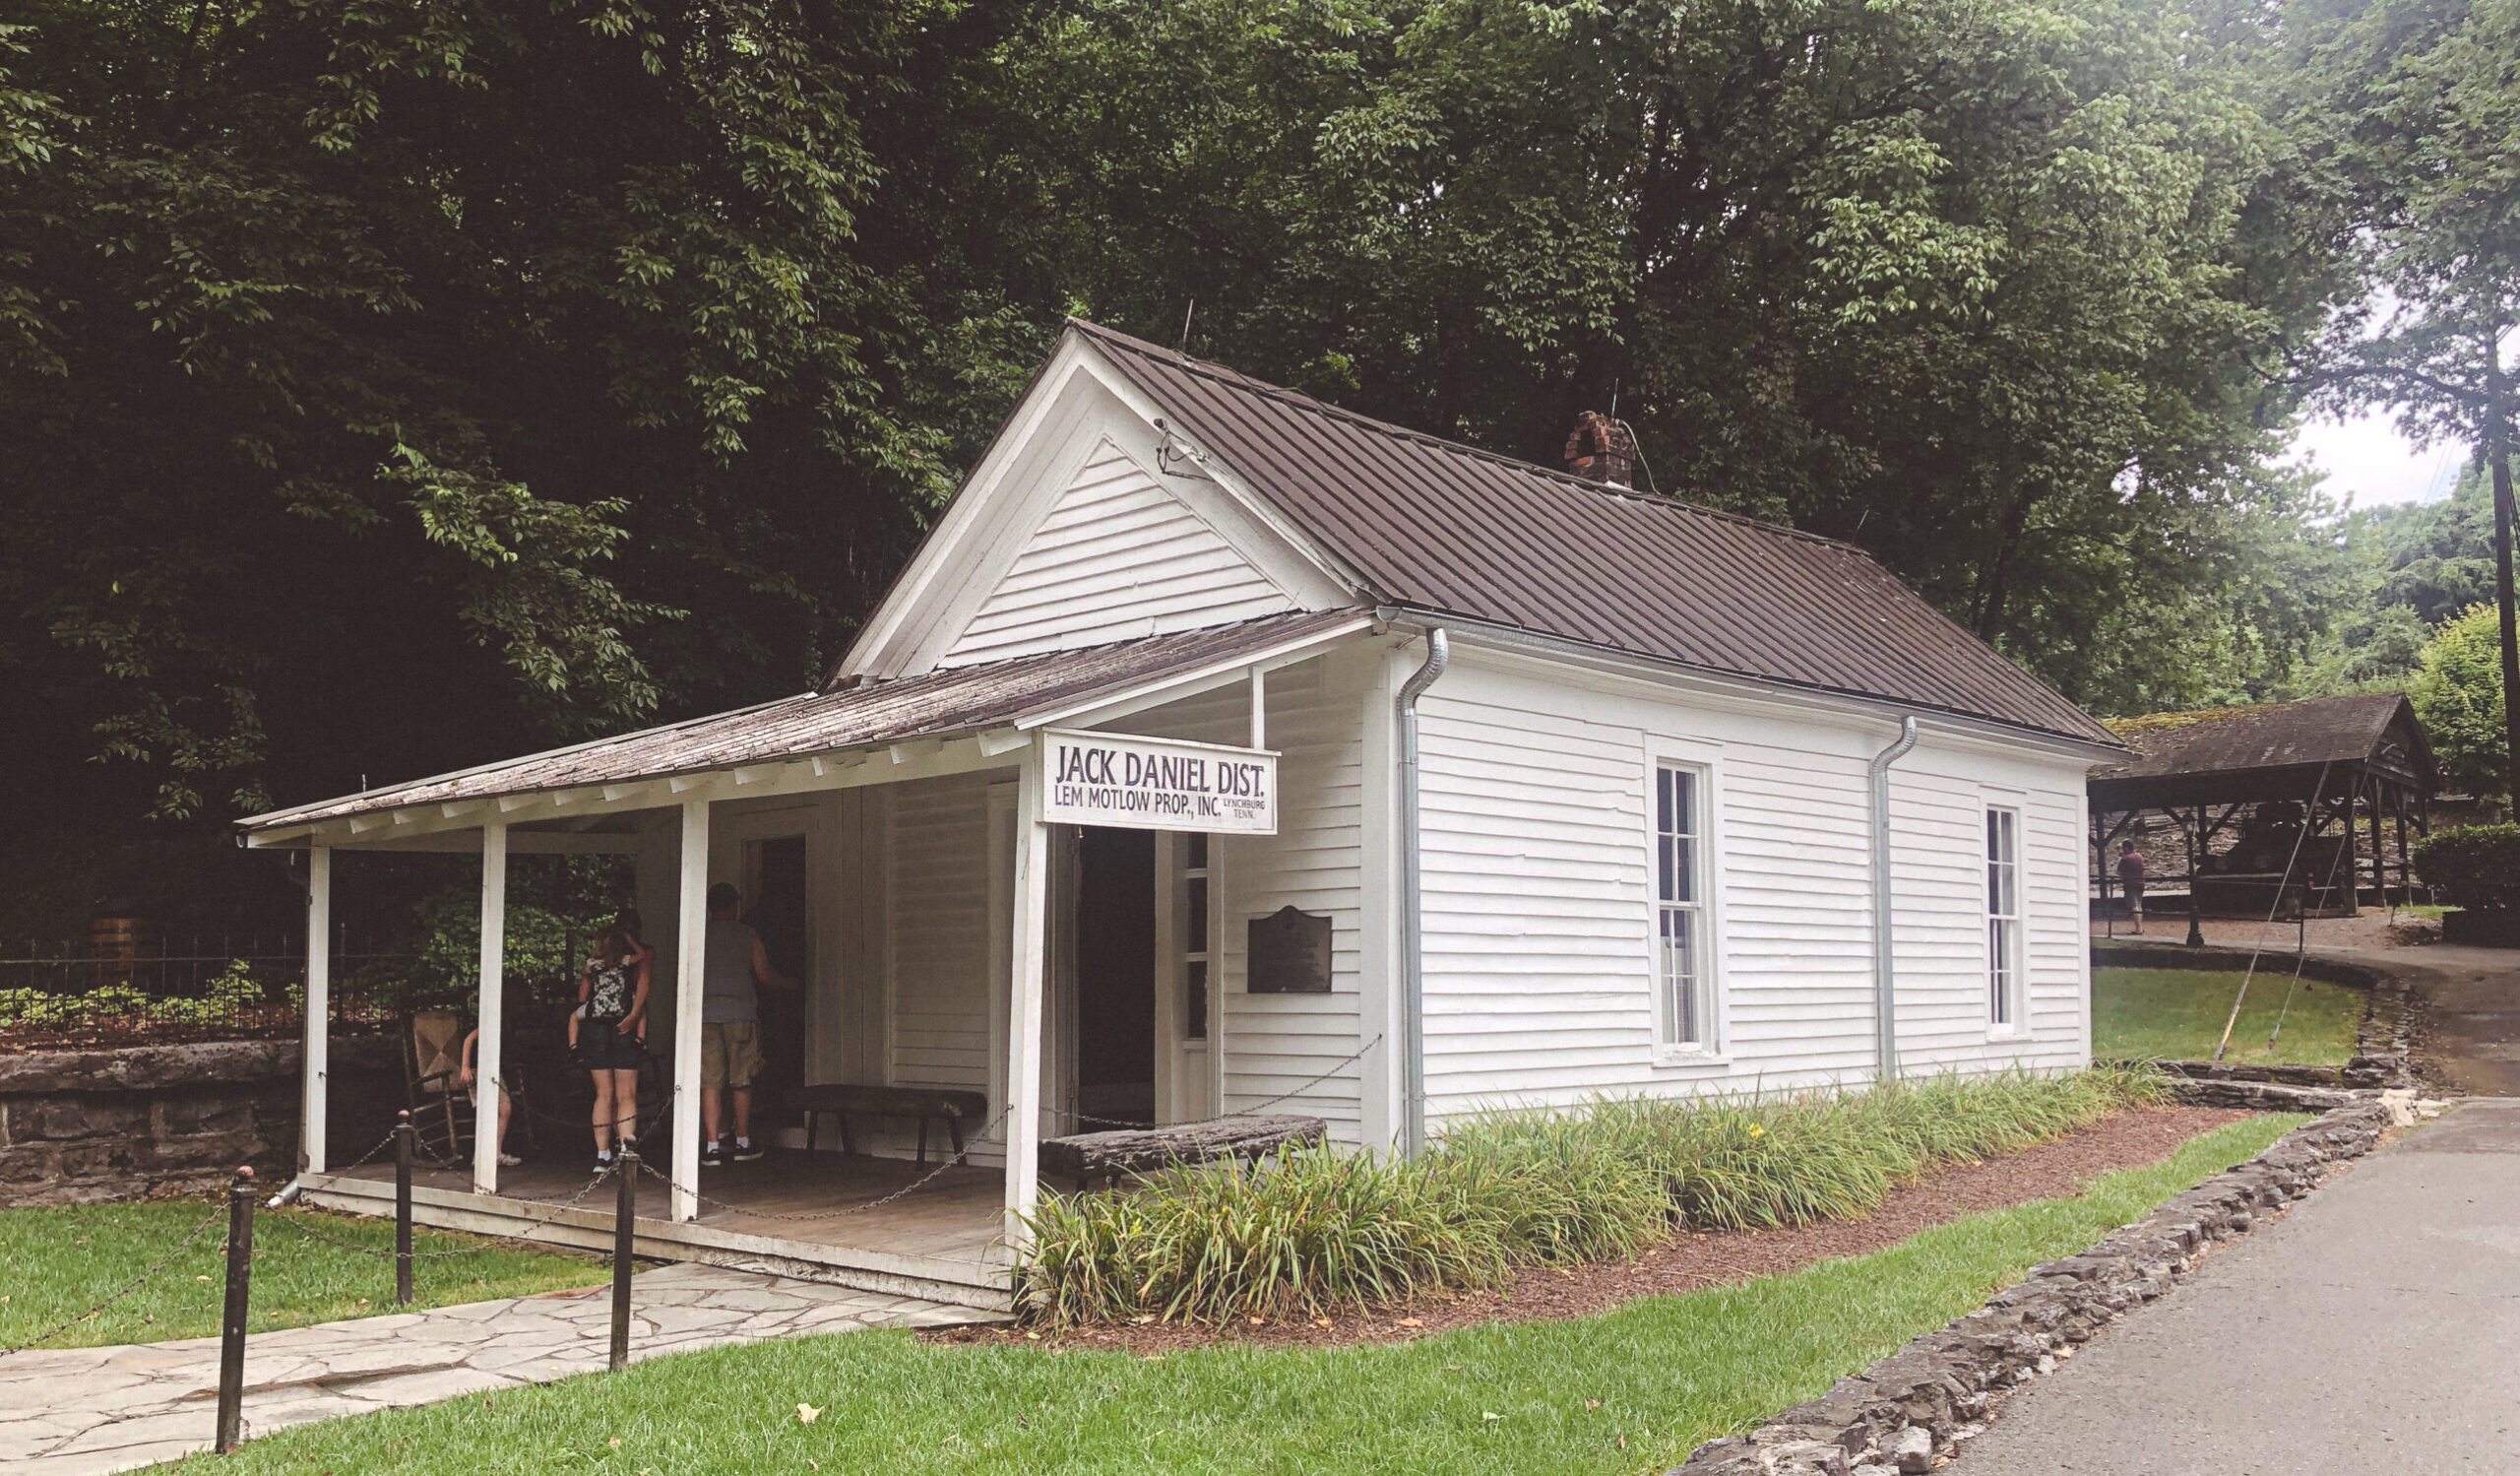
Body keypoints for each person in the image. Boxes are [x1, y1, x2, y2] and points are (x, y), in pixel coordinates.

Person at [700, 882, 796, 1165]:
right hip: (740, 1013)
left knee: (711, 1081)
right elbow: (764, 975)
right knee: (741, 1079)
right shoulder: (748, 934)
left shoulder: (699, 936)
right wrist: (789, 982)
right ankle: (743, 1142)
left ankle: (713, 1146)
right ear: (733, 906)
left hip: (706, 1015)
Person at [578, 919, 651, 1173]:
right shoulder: (626, 963)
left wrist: (597, 951)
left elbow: (582, 993)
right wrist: (630, 941)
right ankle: (625, 1152)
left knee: (603, 1095)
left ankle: (602, 1155)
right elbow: (642, 957)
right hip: (623, 1027)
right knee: (626, 1094)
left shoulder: (591, 966)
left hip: (596, 1029)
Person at [457, 1023, 521, 1167]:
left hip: (494, 1071)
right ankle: (479, 1155)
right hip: (478, 1071)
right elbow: (468, 1040)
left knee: (505, 1109)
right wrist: (465, 1067)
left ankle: (497, 1152)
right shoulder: (488, 1020)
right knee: (486, 1114)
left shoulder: (505, 1027)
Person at [2117, 839, 2147, 934]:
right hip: (2141, 883)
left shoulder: (2125, 859)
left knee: (2134, 906)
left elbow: (2119, 872)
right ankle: (2140, 927)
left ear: (2126, 848)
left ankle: (2138, 928)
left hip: (2130, 884)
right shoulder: (2139, 856)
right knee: (2139, 905)